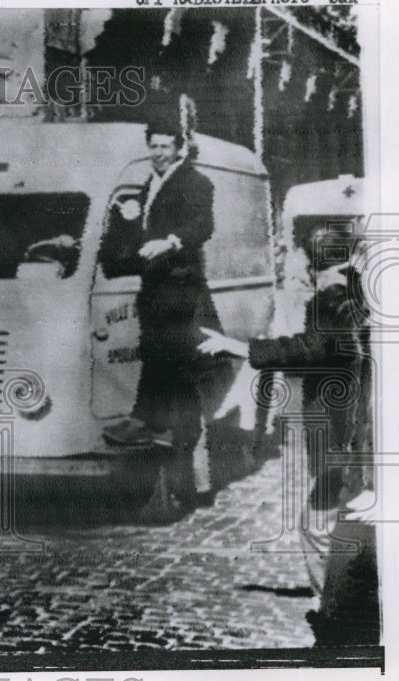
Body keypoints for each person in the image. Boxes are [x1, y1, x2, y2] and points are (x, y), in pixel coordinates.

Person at [199, 225, 377, 645]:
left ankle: (337, 609)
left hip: (349, 437)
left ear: (314, 263)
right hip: (356, 436)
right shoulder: (361, 295)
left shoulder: (333, 296)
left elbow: (315, 347)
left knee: (317, 524)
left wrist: (244, 348)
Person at [99, 108, 224, 511]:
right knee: (170, 382)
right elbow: (128, 248)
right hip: (155, 298)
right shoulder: (142, 190)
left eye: (165, 146)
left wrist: (169, 241)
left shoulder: (196, 182)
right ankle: (180, 486)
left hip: (181, 298)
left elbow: (202, 225)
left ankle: (187, 484)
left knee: (177, 386)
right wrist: (128, 223)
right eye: (153, 146)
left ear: (180, 148)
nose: (158, 153)